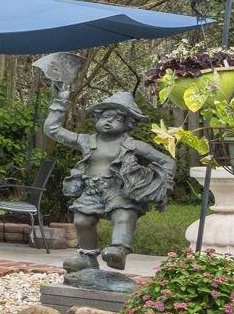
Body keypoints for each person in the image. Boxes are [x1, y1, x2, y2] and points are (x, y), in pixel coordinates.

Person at [43, 84, 176, 279]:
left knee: (123, 216)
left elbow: (166, 161)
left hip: (120, 190)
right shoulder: (86, 140)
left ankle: (118, 250)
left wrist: (161, 185)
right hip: (92, 189)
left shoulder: (132, 144)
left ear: (128, 123)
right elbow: (53, 129)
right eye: (105, 117)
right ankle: (87, 257)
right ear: (97, 118)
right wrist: (60, 101)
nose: (109, 121)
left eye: (117, 119)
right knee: (82, 220)